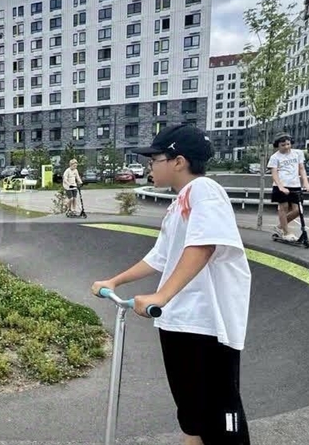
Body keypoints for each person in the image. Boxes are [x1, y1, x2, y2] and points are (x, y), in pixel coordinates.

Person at [91, 123, 252, 445]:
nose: (149, 166)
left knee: (220, 422)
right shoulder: (178, 202)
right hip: (179, 320)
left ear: (178, 161)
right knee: (192, 418)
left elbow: (204, 246)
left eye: (155, 159)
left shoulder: (204, 189)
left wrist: (161, 295)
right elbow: (160, 257)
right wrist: (114, 281)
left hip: (206, 324)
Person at [268, 133, 309, 241]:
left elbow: (301, 169)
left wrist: (306, 183)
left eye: (288, 144)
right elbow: (274, 173)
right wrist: (281, 187)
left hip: (295, 185)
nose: (286, 147)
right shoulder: (275, 157)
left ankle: (280, 227)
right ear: (278, 145)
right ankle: (286, 232)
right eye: (283, 145)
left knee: (298, 210)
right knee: (283, 207)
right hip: (281, 185)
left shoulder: (298, 153)